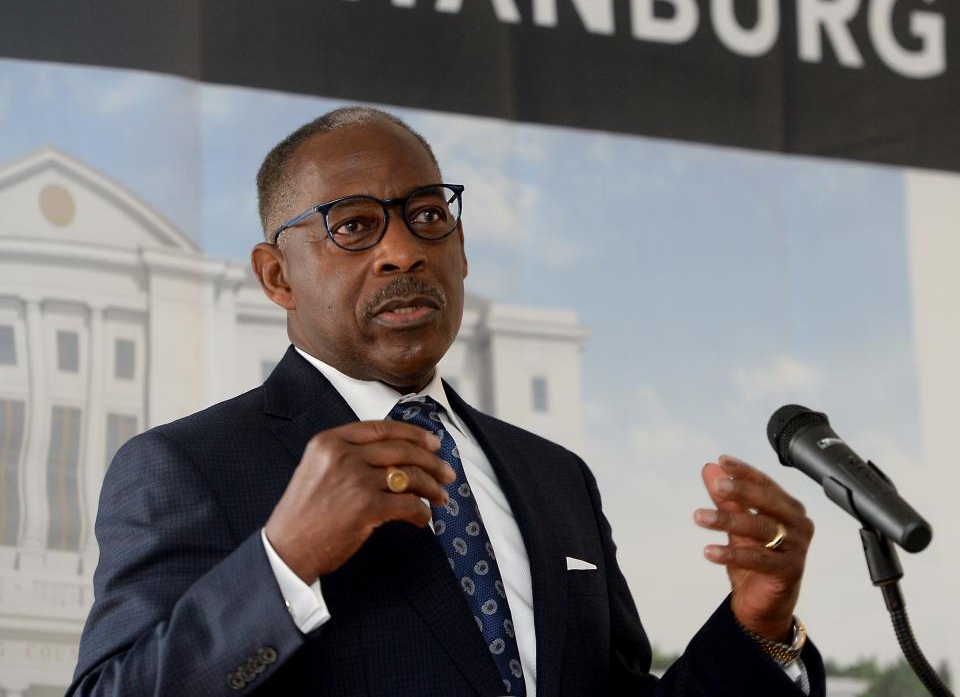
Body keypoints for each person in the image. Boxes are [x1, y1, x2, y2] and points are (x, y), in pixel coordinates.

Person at [70, 107, 824, 696]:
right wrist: (284, 564)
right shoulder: (185, 467)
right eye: (355, 226)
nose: (404, 250)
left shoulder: (556, 479)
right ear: (276, 278)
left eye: (429, 216)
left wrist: (758, 627)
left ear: (460, 251)